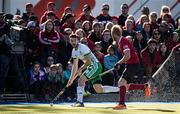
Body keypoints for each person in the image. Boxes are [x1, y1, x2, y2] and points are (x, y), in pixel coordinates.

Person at [67, 34, 119, 107]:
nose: (73, 42)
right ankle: (120, 89)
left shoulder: (83, 47)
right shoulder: (74, 51)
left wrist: (80, 69)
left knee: (80, 80)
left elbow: (88, 62)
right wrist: (71, 79)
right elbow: (74, 66)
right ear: (70, 41)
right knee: (99, 89)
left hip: (95, 66)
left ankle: (79, 102)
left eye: (75, 40)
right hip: (93, 66)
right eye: (72, 41)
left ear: (78, 41)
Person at [111, 25, 151, 109]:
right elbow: (127, 57)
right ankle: (144, 87)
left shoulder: (123, 41)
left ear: (113, 34)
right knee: (126, 86)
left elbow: (127, 56)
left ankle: (122, 104)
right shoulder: (122, 41)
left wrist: (118, 63)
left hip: (133, 64)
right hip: (131, 64)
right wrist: (120, 63)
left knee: (121, 83)